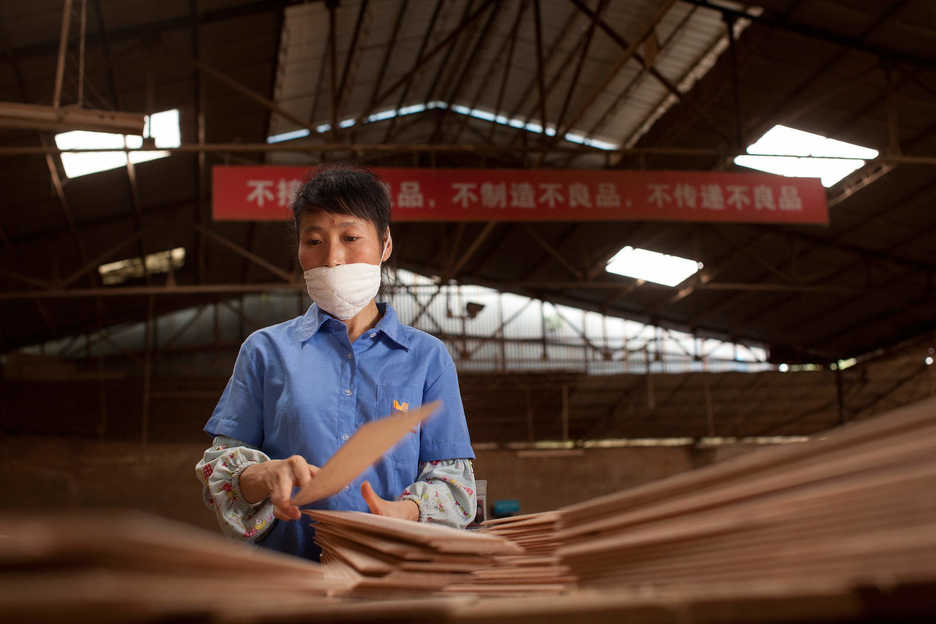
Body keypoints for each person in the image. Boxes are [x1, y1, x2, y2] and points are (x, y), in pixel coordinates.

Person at [195, 165, 477, 561]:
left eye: (350, 237)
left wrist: (403, 513)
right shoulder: (264, 350)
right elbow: (219, 469)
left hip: (393, 576)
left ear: (385, 245)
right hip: (285, 579)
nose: (333, 258)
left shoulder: (427, 358)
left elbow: (453, 481)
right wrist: (262, 476)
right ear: (299, 249)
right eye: (314, 240)